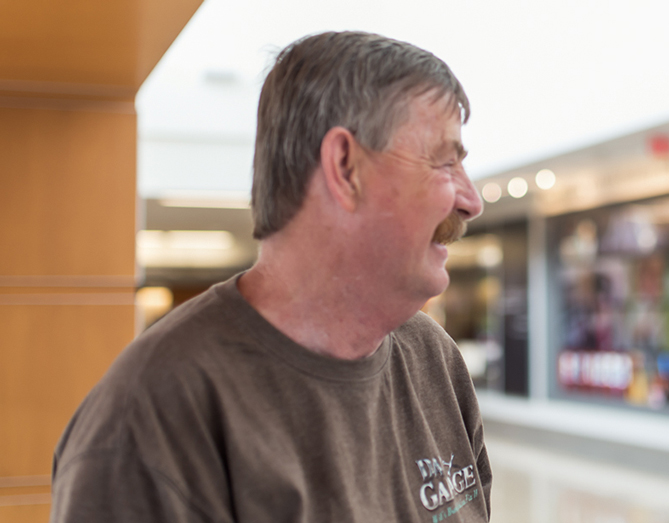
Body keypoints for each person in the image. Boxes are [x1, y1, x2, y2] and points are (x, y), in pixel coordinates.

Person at [51, 31, 490, 522]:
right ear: (345, 167)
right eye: (445, 161)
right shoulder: (150, 420)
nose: (472, 201)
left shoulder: (433, 362)